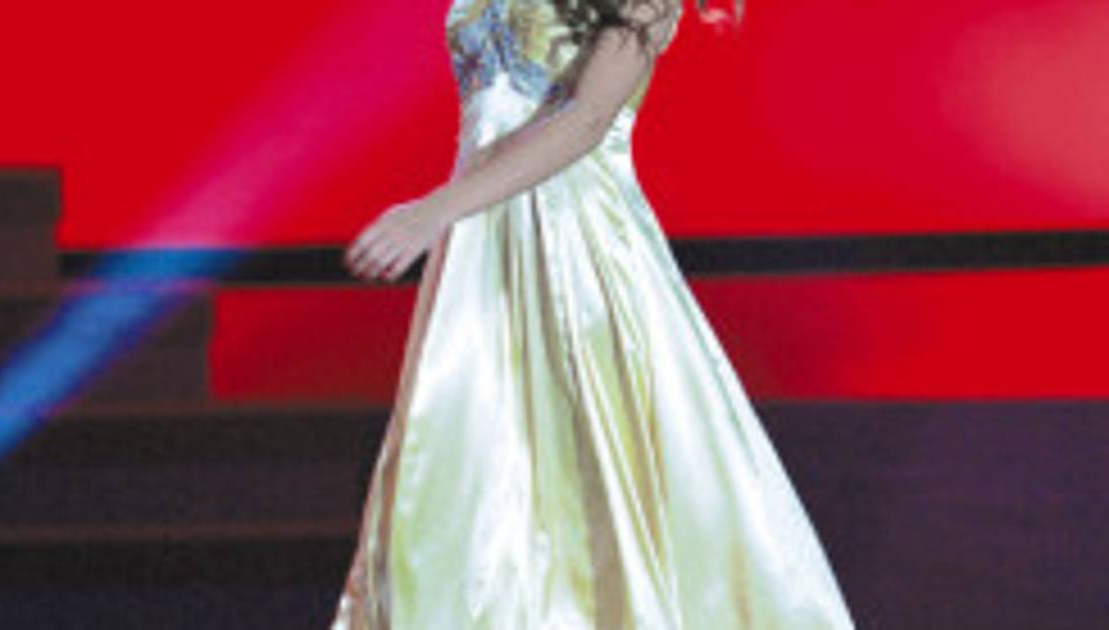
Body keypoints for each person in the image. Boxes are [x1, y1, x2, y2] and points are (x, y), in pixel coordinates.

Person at [336, 0, 856, 627]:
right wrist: (446, 212)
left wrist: (436, 210)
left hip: (573, 245)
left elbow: (586, 120)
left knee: (594, 469)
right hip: (481, 241)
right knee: (466, 460)